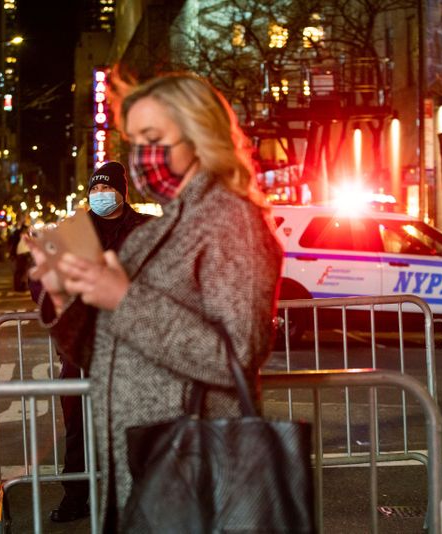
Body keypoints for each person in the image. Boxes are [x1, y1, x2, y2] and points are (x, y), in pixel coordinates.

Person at [30, 73, 283, 531]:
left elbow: (238, 355)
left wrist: (122, 298)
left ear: (198, 132)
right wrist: (67, 295)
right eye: (135, 142)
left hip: (191, 460)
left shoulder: (231, 221)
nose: (143, 157)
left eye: (153, 138)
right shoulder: (161, 228)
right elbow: (105, 348)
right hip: (143, 459)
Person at [49, 160, 151, 523]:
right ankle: (76, 496)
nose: (101, 195)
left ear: (122, 192)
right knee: (78, 424)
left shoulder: (147, 229)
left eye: (108, 189)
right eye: (95, 189)